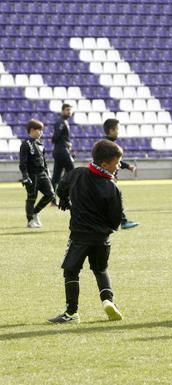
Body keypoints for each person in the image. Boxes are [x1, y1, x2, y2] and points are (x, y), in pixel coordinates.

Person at [48, 140, 125, 324]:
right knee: (100, 269)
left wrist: (65, 200)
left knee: (71, 271)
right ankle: (108, 301)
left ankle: (71, 313)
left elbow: (60, 186)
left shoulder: (77, 173)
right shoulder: (112, 187)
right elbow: (116, 218)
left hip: (79, 237)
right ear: (105, 165)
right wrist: (107, 229)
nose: (119, 165)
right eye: (117, 162)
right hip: (101, 238)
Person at [102, 119, 139, 229]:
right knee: (116, 198)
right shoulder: (108, 145)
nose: (118, 132)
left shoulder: (105, 143)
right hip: (107, 177)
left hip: (107, 177)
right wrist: (128, 166)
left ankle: (118, 221)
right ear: (111, 130)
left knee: (111, 199)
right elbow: (115, 161)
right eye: (117, 129)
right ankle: (123, 222)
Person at [19, 119, 55, 228]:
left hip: (42, 173)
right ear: (32, 130)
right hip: (32, 175)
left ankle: (35, 212)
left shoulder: (40, 143)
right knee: (31, 197)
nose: (41, 132)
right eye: (39, 130)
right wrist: (25, 176)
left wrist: (47, 171)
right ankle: (30, 221)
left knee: (50, 194)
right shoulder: (25, 144)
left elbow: (43, 159)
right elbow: (23, 162)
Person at [51, 103, 75, 200]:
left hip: (59, 151)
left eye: (70, 110)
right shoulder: (61, 122)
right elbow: (55, 137)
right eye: (67, 110)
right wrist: (66, 143)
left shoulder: (64, 122)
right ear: (62, 111)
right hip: (62, 151)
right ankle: (70, 196)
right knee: (73, 173)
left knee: (56, 176)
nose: (69, 112)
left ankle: (52, 199)